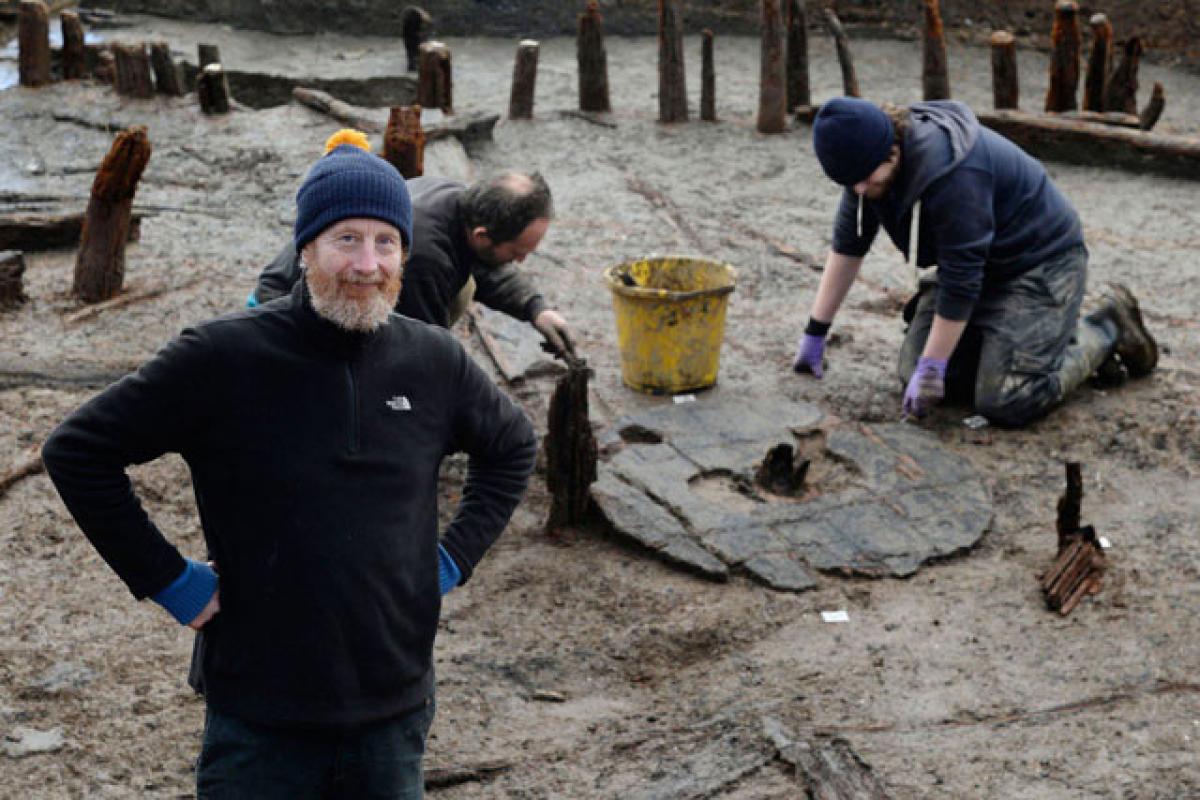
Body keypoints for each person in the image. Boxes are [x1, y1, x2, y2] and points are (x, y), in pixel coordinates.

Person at [41, 130, 538, 798]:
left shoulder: (432, 359)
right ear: (305, 248)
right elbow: (78, 451)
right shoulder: (223, 356)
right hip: (259, 713)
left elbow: (513, 448)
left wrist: (450, 561)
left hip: (394, 705)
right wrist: (168, 579)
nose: (367, 263)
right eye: (346, 240)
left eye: (385, 242)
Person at [793, 97, 1158, 426]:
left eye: (863, 180)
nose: (858, 191)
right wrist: (815, 332)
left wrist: (933, 366)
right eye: (849, 184)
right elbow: (848, 247)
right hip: (980, 267)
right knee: (916, 373)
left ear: (891, 150)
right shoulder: (864, 169)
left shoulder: (953, 173)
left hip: (1040, 264)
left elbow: (961, 278)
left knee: (1006, 398)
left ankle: (1105, 327)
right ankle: (1009, 346)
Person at [249, 168, 578, 360]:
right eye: (518, 252)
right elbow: (422, 353)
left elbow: (487, 265)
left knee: (463, 288)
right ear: (481, 234)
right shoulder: (424, 259)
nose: (520, 261)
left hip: (347, 286)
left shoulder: (458, 201)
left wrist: (536, 309)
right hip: (285, 314)